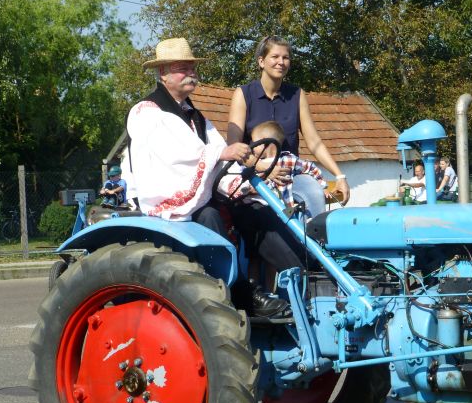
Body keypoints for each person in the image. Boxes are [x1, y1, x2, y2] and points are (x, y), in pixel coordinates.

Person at [127, 37, 286, 317]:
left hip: (200, 195)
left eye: (192, 68)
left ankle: (286, 278)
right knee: (211, 217)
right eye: (181, 69)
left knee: (256, 212)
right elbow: (178, 153)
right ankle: (231, 293)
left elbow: (218, 151)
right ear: (163, 74)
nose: (191, 74)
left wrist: (247, 179)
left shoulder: (196, 116)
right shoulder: (146, 112)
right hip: (166, 203)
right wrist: (221, 155)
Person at [226, 35, 351, 205]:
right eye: (275, 57)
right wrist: (262, 167)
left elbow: (314, 142)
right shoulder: (243, 94)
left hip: (290, 175)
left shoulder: (297, 95)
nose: (281, 62)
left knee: (313, 193)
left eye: (285, 57)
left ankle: (307, 232)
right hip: (255, 176)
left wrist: (340, 176)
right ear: (261, 61)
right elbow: (234, 146)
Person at [220, 121, 321, 277]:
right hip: (258, 216)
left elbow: (310, 168)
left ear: (268, 144)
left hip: (282, 215)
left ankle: (273, 292)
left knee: (272, 261)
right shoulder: (250, 166)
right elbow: (240, 184)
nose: (251, 145)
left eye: (255, 142)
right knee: (254, 256)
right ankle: (255, 291)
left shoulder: (288, 160)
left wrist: (323, 186)